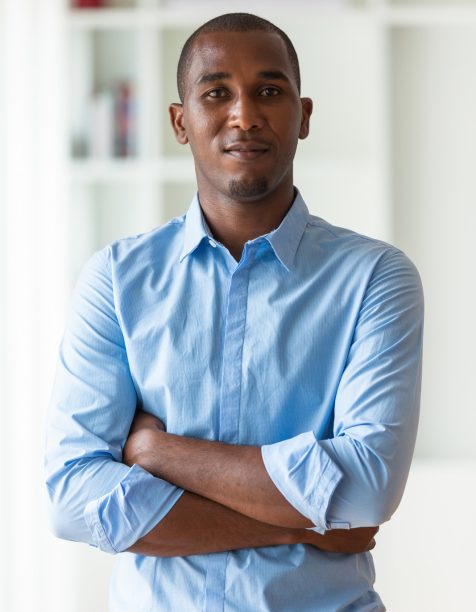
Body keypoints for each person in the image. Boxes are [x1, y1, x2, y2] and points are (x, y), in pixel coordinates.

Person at [45, 12, 424, 611]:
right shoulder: (116, 281)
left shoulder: (375, 278)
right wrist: (297, 524)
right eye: (216, 92)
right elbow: (72, 499)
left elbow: (367, 488)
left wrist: (155, 453)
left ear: (303, 116)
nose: (244, 115)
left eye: (269, 91)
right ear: (180, 121)